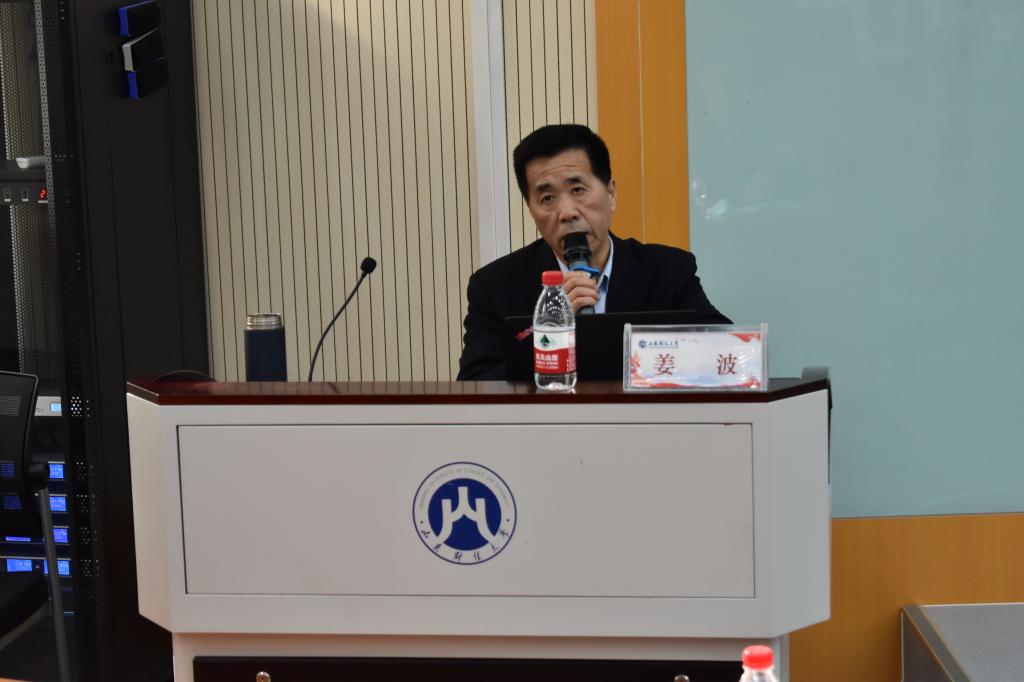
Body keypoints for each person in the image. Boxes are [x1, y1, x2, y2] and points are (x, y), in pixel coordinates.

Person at [457, 124, 729, 380]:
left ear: (611, 194)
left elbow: (726, 353)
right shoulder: (496, 286)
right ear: (531, 210)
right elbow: (476, 385)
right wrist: (551, 334)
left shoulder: (668, 270)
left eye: (578, 190)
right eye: (547, 198)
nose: (567, 212)